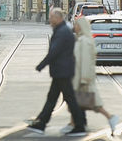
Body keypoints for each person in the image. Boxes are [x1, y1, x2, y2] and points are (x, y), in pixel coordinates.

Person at [27, 8, 86, 136]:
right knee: (53, 98)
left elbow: (54, 51)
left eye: (52, 17)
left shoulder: (62, 32)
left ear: (58, 18)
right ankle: (41, 123)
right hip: (62, 71)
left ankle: (80, 126)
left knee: (68, 99)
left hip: (62, 71)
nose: (50, 20)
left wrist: (41, 65)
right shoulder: (62, 30)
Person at [61, 17, 118, 134]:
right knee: (81, 103)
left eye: (76, 25)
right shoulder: (81, 39)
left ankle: (109, 118)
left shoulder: (84, 41)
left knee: (88, 104)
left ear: (81, 27)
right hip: (79, 76)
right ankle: (75, 124)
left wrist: (84, 79)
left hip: (82, 78)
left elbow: (86, 61)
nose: (74, 27)